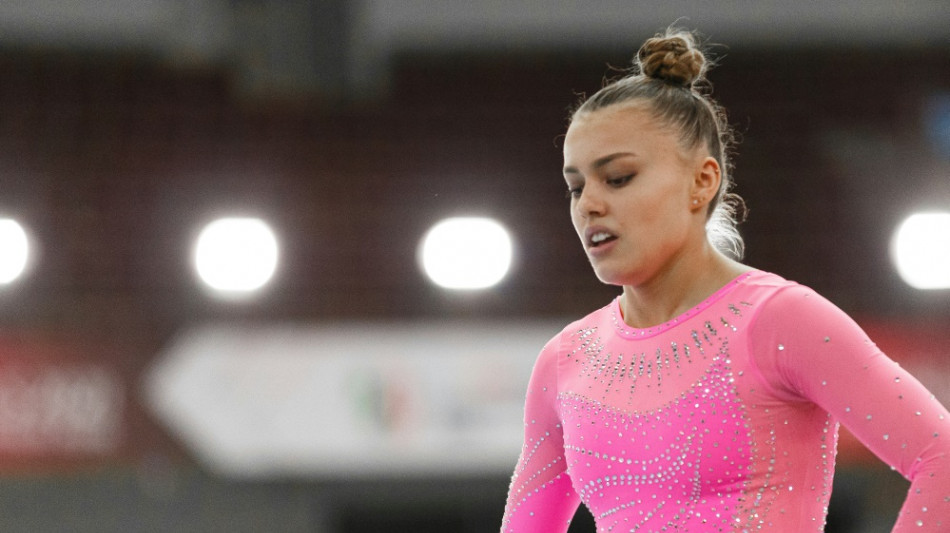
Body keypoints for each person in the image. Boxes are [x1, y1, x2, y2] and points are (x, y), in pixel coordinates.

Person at [501, 28, 949, 532]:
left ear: (702, 180)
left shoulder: (781, 320)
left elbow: (943, 460)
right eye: (575, 186)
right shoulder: (567, 360)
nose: (589, 204)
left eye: (619, 178)